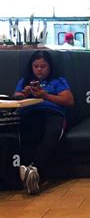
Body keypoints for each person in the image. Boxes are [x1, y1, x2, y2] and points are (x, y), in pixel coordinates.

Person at [12, 50, 74, 194]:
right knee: (26, 133)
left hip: (53, 113)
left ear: (50, 66)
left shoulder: (57, 81)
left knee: (51, 135)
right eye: (36, 66)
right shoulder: (25, 80)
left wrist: (45, 95)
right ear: (31, 67)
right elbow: (15, 97)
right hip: (30, 113)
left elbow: (69, 100)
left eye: (43, 66)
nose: (39, 69)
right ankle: (32, 173)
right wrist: (24, 94)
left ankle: (31, 170)